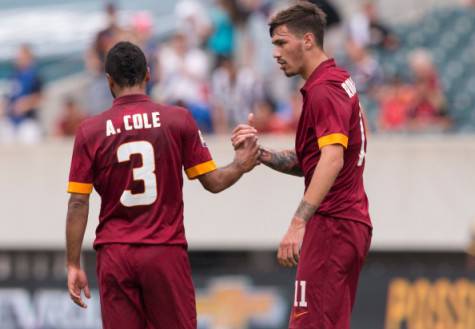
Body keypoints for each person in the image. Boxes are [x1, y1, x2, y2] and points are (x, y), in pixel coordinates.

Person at [65, 41, 259, 329]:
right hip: (164, 251)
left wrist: (72, 264)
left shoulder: (89, 131)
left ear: (109, 81)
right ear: (148, 74)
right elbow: (214, 182)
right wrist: (241, 163)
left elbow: (78, 202)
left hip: (115, 253)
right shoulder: (177, 120)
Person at [232, 3, 372, 328]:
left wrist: (297, 224)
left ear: (308, 40)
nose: (276, 53)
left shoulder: (325, 90)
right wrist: (262, 155)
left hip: (332, 225)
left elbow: (333, 159)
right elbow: (317, 160)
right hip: (347, 222)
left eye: (282, 42)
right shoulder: (335, 81)